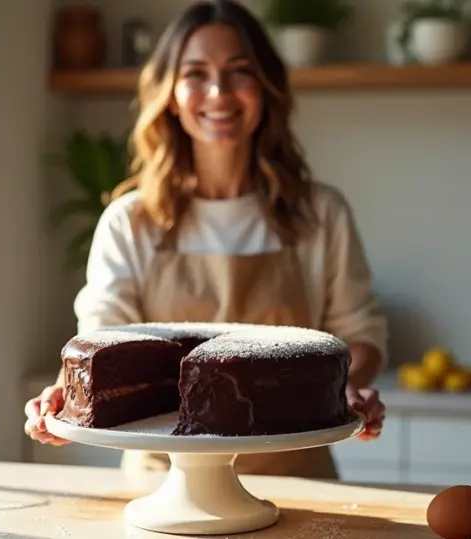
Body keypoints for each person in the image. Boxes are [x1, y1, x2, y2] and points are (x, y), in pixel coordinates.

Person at [25, 0, 388, 480]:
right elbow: (99, 341)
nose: (219, 92)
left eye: (240, 72)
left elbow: (361, 336)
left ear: (265, 88)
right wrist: (62, 393)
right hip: (161, 484)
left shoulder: (320, 215)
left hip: (295, 482)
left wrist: (348, 387)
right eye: (196, 73)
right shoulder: (130, 222)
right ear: (171, 94)